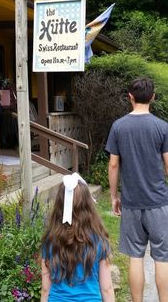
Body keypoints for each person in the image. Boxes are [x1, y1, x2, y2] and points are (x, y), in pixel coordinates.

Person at [106, 77, 168, 302]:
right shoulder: (162, 127)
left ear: (130, 97)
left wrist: (114, 197)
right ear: (152, 97)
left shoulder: (118, 126)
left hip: (131, 203)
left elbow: (113, 164)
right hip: (159, 203)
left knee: (135, 257)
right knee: (162, 258)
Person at [41, 172, 115, 302]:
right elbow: (107, 288)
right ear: (88, 206)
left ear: (59, 206)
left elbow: (46, 289)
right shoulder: (99, 241)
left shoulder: (50, 241)